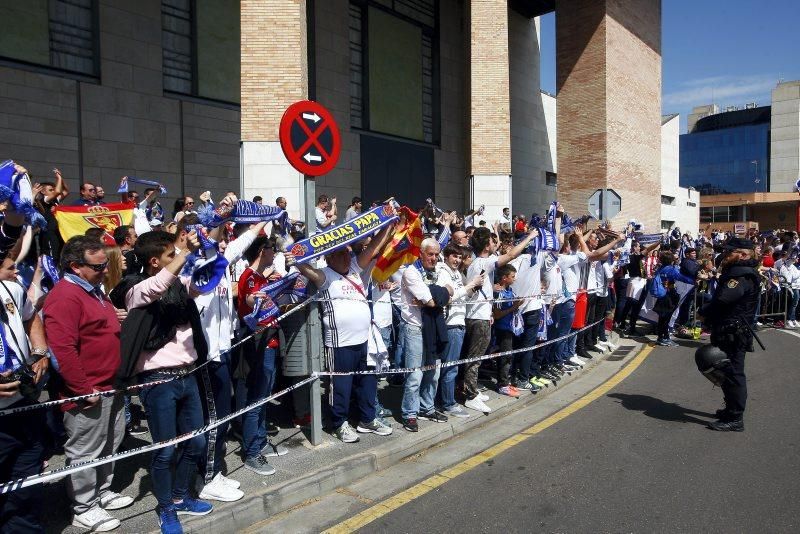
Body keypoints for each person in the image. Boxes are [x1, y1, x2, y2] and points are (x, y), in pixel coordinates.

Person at [111, 230, 213, 533]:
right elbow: (157, 286)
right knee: (166, 449)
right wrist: (182, 252)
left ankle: (181, 497)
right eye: (171, 255)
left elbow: (204, 281)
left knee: (196, 442)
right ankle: (166, 508)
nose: (178, 260)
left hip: (188, 375)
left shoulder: (179, 285)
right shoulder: (135, 288)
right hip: (157, 382)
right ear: (155, 261)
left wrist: (220, 233)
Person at [43, 236, 132, 531]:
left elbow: (96, 329)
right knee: (85, 451)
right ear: (75, 267)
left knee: (110, 442)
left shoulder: (94, 291)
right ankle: (84, 506)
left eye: (105, 264)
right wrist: (82, 389)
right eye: (98, 266)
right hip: (88, 391)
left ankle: (101, 492)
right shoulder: (65, 296)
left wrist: (115, 318)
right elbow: (62, 349)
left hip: (110, 385)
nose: (105, 270)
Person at [292, 220, 395, 443]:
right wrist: (296, 260)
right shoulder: (325, 275)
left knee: (368, 382)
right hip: (340, 343)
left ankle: (367, 419)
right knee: (341, 386)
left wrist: (388, 227)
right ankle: (339, 423)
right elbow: (305, 268)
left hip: (365, 340)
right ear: (329, 257)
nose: (347, 257)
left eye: (348, 253)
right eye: (341, 254)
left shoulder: (356, 268)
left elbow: (373, 248)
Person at [0, 207, 49, 534]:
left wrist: (40, 351)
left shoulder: (12, 286)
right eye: (7, 260)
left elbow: (31, 317)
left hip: (24, 404)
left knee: (25, 483)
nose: (14, 264)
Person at [462, 225, 538, 413]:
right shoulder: (482, 262)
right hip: (477, 318)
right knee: (475, 358)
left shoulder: (478, 263)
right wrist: (529, 238)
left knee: (476, 357)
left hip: (480, 315)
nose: (493, 243)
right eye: (491, 240)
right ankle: (470, 395)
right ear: (486, 245)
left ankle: (473, 390)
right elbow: (511, 255)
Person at [236, 236, 290, 476]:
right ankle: (251, 452)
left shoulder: (260, 278)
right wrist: (257, 296)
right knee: (256, 400)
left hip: (272, 340)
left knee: (264, 396)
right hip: (260, 344)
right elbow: (248, 301)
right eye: (270, 248)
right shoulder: (249, 277)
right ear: (261, 251)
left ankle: (259, 441)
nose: (273, 252)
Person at [699, 238, 761, 432]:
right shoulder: (738, 272)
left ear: (743, 254)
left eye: (730, 252)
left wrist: (704, 310)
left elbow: (724, 299)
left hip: (734, 332)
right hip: (727, 330)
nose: (725, 255)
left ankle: (735, 418)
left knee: (734, 373)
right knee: (726, 372)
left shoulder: (742, 276)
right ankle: (731, 410)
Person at [398, 238, 452, 431]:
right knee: (415, 375)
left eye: (437, 254)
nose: (434, 258)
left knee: (433, 371)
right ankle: (409, 413)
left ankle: (426, 407)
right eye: (430, 254)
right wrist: (440, 294)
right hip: (414, 328)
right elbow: (429, 301)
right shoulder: (411, 272)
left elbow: (450, 290)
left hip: (435, 327)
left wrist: (439, 294)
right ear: (421, 253)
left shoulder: (439, 271)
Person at [435, 243, 482, 417]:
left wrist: (473, 288)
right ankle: (448, 404)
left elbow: (462, 295)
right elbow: (447, 298)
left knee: (451, 366)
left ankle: (445, 401)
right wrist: (469, 286)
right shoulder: (442, 273)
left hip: (459, 322)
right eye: (454, 256)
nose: (457, 260)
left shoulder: (455, 273)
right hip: (451, 325)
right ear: (446, 256)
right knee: (450, 367)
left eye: (459, 257)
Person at [492, 264, 521, 397]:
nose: (515, 279)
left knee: (508, 356)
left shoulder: (511, 290)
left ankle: (506, 381)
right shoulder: (499, 294)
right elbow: (497, 315)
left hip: (510, 328)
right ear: (504, 278)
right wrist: (514, 307)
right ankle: (502, 385)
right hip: (502, 329)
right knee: (505, 357)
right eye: (512, 277)